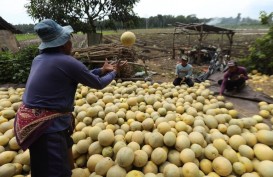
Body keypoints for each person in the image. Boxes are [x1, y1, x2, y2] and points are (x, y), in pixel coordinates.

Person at [14, 19, 127, 177]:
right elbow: (98, 84)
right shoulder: (67, 62)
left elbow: (81, 76)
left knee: (44, 163)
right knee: (55, 172)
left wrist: (102, 70)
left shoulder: (38, 59)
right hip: (46, 126)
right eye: (68, 38)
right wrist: (114, 72)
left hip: (30, 121)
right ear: (63, 44)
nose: (71, 42)